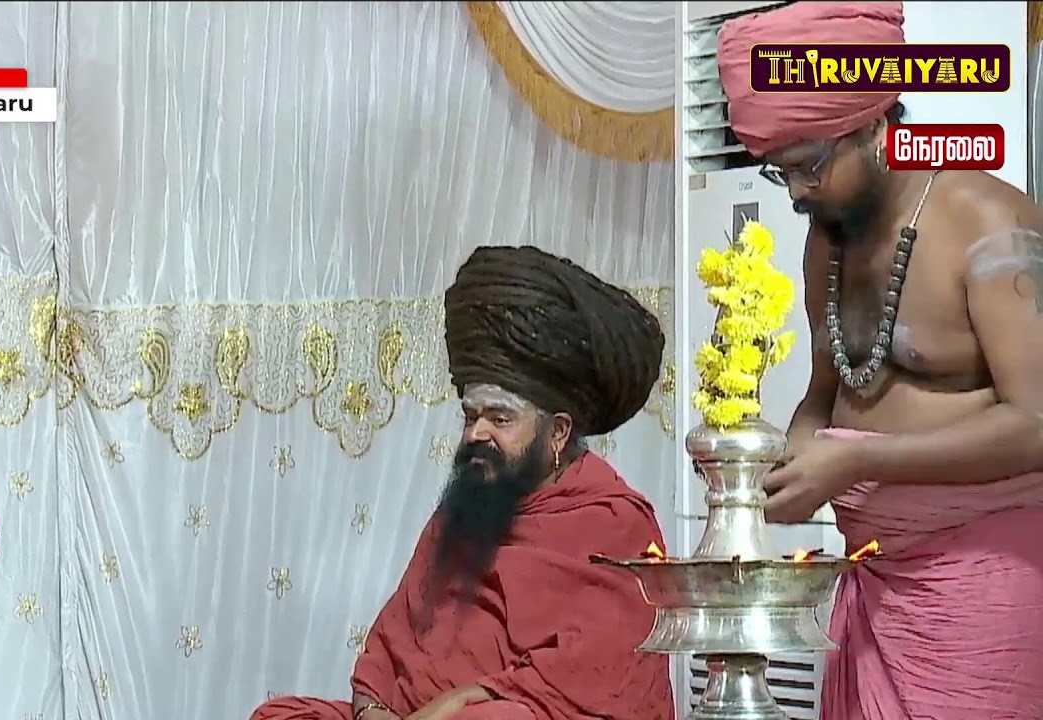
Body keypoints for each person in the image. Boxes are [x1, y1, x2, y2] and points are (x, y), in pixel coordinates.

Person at [717, 2, 1043, 718]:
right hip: (871, 583)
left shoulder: (987, 222)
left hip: (987, 583)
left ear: (873, 125)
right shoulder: (827, 240)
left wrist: (859, 460)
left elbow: (1037, 423)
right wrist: (796, 460)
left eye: (807, 166)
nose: (796, 192)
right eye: (779, 173)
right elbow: (825, 391)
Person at [250, 246, 674, 720]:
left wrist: (462, 702)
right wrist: (374, 713)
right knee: (279, 715)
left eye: (500, 418)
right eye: (471, 416)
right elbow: (390, 649)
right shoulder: (469, 506)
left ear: (558, 431)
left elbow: (597, 674)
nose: (476, 434)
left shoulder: (615, 521)